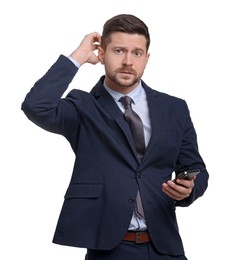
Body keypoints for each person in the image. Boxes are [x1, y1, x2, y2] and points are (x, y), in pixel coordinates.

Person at [21, 14, 209, 260]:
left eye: (137, 53)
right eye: (119, 51)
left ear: (147, 58)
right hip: (110, 249)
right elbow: (36, 106)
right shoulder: (83, 107)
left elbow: (196, 168)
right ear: (101, 54)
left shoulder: (174, 108)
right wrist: (77, 57)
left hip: (166, 247)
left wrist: (189, 189)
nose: (128, 61)